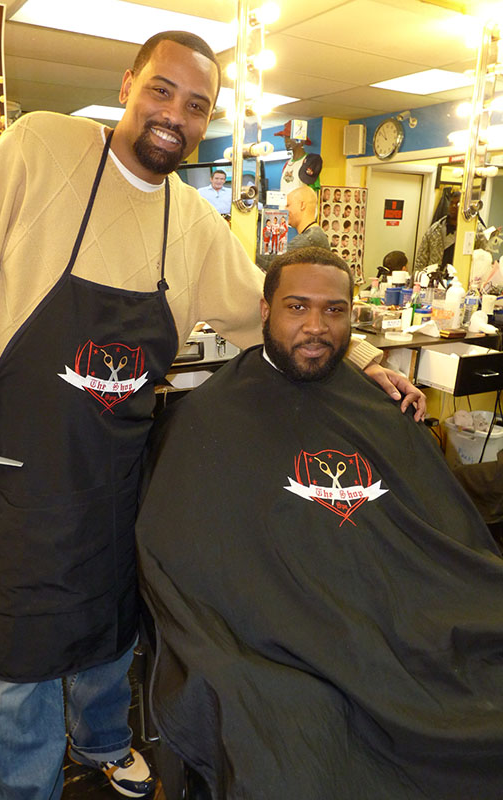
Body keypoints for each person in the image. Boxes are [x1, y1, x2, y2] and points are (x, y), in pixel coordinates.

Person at [0, 31, 423, 800]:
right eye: (162, 91)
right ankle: (24, 787)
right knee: (27, 630)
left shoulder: (189, 220)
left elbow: (266, 312)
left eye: (197, 107)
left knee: (117, 608)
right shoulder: (40, 147)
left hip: (122, 457)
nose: (174, 116)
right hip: (29, 452)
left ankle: (103, 742)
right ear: (128, 85)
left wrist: (366, 363)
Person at [137, 246, 503, 800]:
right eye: (297, 307)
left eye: (334, 311)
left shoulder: (376, 403)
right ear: (264, 311)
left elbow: (428, 522)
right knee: (293, 731)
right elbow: (194, 551)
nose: (315, 326)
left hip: (397, 600)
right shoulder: (210, 417)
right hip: (279, 616)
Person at [284, 185, 329, 250]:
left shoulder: (309, 238)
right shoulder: (315, 234)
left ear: (302, 205)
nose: (285, 210)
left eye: (288, 205)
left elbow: (275, 259)